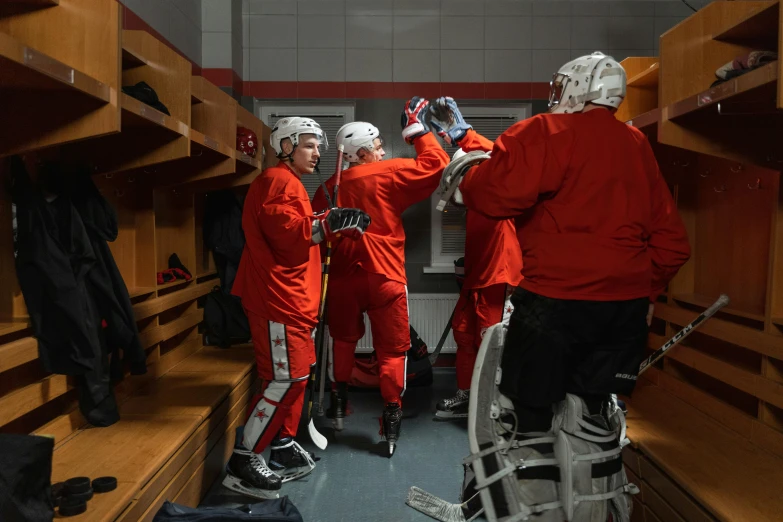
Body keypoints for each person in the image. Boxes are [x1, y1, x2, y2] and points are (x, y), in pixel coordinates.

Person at [431, 52, 691, 521]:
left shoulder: (546, 132)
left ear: (575, 87)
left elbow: (496, 195)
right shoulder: (636, 145)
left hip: (554, 305)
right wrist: (641, 292)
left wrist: (468, 171)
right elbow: (673, 244)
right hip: (623, 314)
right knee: (593, 422)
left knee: (526, 424)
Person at [223, 117, 371, 499]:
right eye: (308, 144)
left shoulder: (289, 184)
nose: (317, 152)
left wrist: (329, 220)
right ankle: (244, 458)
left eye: (318, 146)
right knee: (283, 379)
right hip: (277, 301)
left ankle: (283, 442)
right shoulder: (276, 180)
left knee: (298, 375)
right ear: (286, 146)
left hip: (292, 302)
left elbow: (299, 225)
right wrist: (328, 225)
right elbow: (288, 234)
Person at [311, 98, 449, 456]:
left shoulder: (325, 190)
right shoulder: (387, 173)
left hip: (342, 278)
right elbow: (437, 164)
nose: (383, 150)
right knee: (391, 351)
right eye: (376, 147)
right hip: (384, 274)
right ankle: (391, 417)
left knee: (342, 341)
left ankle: (339, 404)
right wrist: (416, 131)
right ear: (359, 153)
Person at [434, 139, 523, 420]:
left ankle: (492, 405)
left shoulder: (502, 198)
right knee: (464, 337)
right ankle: (467, 396)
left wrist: (468, 139)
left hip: (498, 281)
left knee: (493, 344)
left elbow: (512, 159)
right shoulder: (475, 207)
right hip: (476, 281)